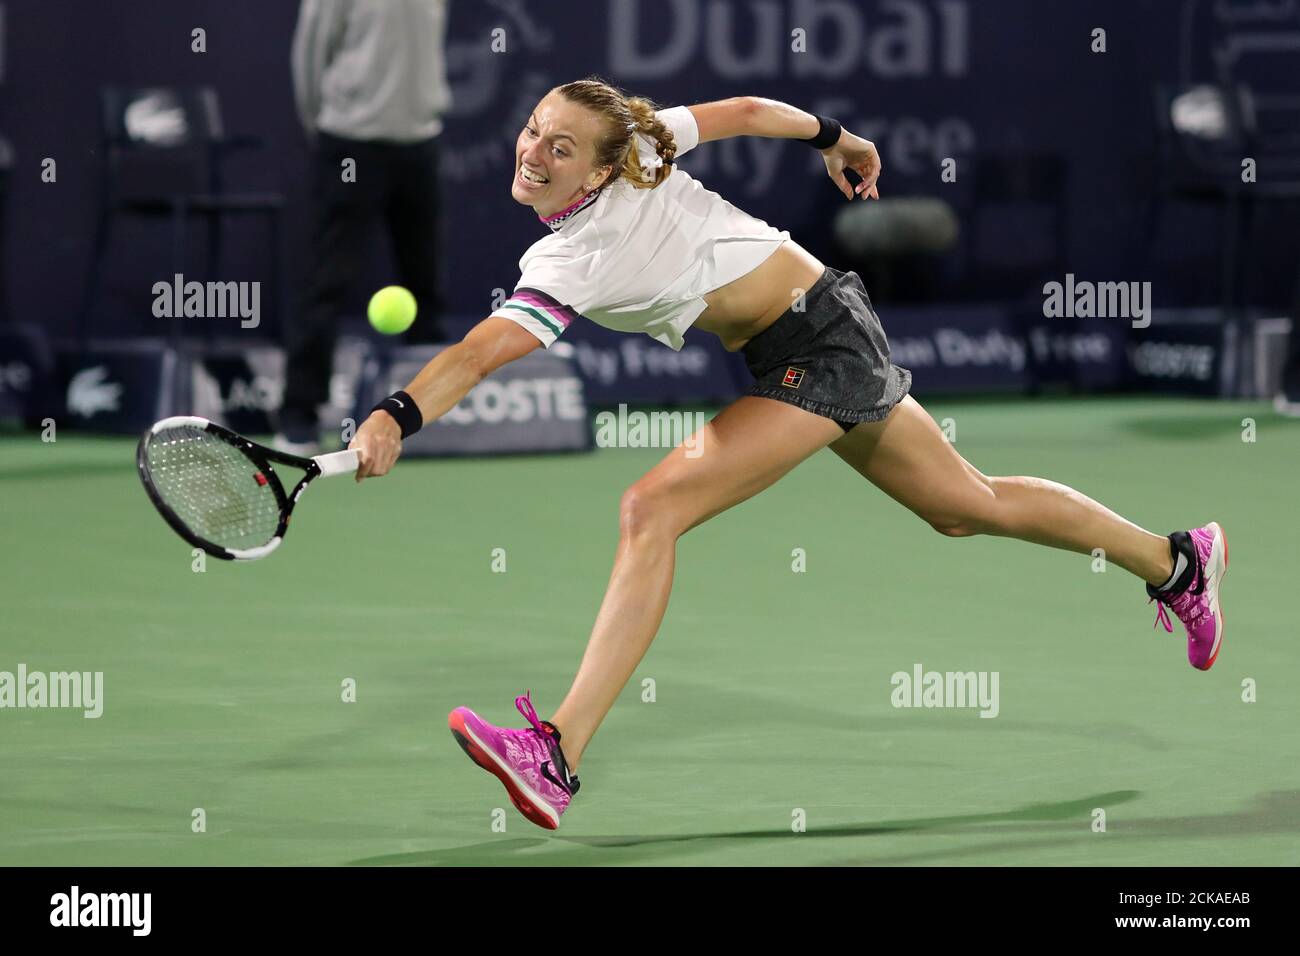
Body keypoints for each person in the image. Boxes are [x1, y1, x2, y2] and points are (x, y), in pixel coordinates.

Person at [347, 78, 1229, 831]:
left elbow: (474, 355)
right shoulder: (594, 213)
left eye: (563, 146)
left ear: (607, 163)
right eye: (535, 129)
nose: (535, 152)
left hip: (823, 339)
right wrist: (838, 140)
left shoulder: (595, 229)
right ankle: (1177, 562)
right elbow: (744, 110)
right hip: (802, 335)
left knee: (651, 507)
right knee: (966, 507)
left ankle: (558, 753)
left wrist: (394, 415)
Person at [279, 0, 452, 453]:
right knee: (326, 281)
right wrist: (330, 125)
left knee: (425, 282)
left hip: (419, 143)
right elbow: (309, 58)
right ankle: (298, 412)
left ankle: (435, 417)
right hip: (350, 144)